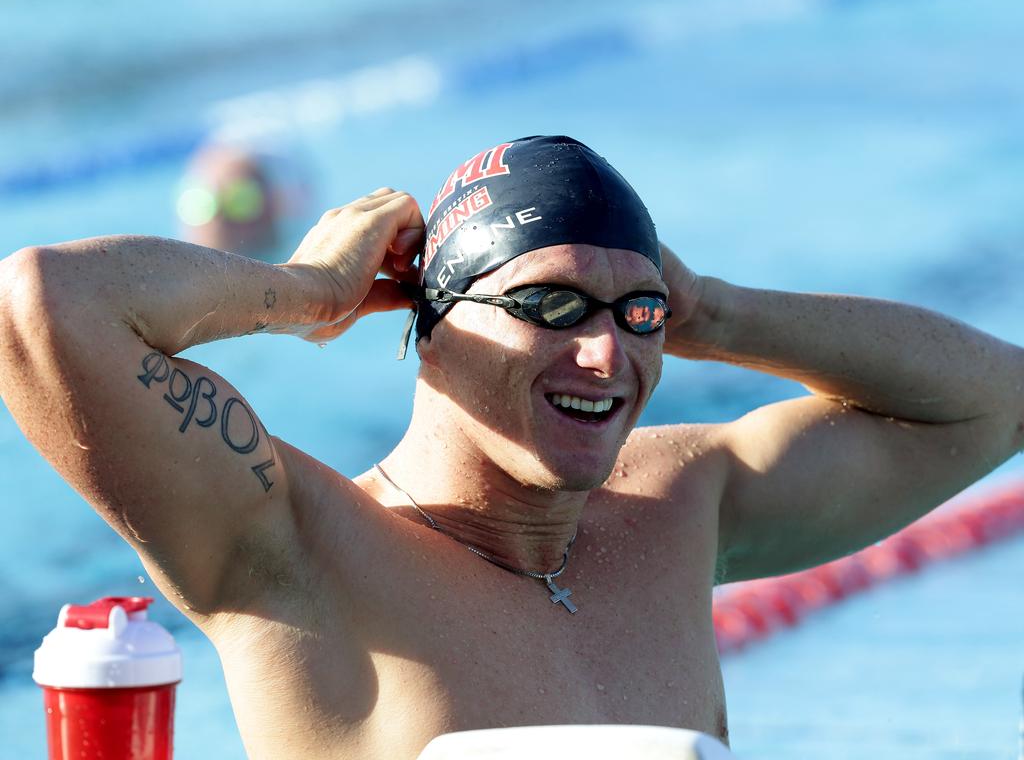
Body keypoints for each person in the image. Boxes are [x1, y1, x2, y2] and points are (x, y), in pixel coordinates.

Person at [1, 135, 1021, 759]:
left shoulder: (679, 507)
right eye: (551, 304)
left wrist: (712, 307)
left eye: (638, 313)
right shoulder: (292, 549)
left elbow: (996, 403)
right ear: (432, 327)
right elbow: (45, 307)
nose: (603, 351)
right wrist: (307, 291)